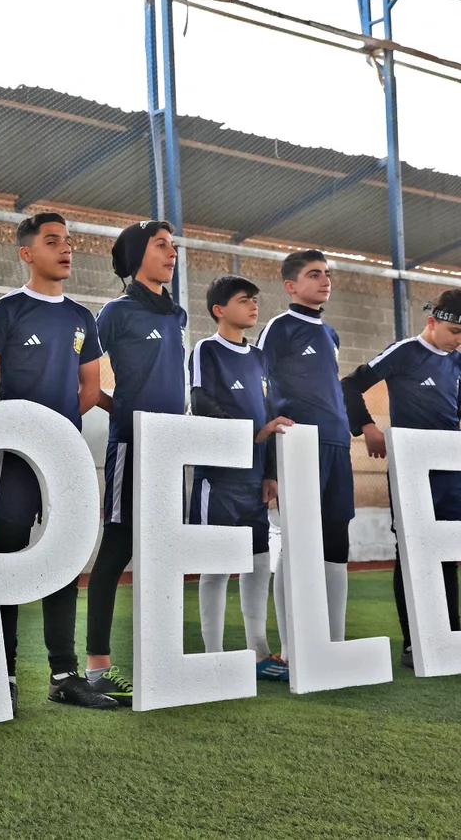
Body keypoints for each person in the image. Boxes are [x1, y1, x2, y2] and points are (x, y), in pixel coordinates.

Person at [0, 212, 118, 712]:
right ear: (27, 253)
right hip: (17, 458)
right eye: (53, 242)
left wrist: (56, 430)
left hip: (64, 454)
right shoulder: (8, 309)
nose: (66, 250)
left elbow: (89, 389)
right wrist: (13, 427)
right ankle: (0, 672)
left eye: (69, 242)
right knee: (6, 554)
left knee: (64, 560)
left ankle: (64, 675)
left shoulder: (82, 317)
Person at [83, 220, 187, 706]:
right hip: (131, 444)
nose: (172, 252)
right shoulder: (115, 313)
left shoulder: (176, 315)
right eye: (161, 245)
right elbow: (77, 369)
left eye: (173, 246)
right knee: (117, 550)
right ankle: (96, 666)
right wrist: (114, 407)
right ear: (134, 256)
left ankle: (164, 660)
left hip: (174, 449)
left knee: (165, 552)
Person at [340, 290, 461, 670]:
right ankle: (413, 644)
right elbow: (349, 386)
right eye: (455, 330)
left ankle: (451, 636)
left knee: (447, 553)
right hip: (411, 466)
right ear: (432, 321)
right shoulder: (405, 352)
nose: (459, 339)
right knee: (409, 553)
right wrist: (368, 427)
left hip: (451, 468)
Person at [188, 275, 292, 680]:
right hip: (218, 479)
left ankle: (259, 652)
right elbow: (200, 403)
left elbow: (269, 416)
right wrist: (252, 435)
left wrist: (269, 473)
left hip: (254, 481)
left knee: (257, 563)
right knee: (215, 567)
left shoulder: (260, 358)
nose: (253, 306)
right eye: (244, 300)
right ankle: (213, 657)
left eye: (254, 300)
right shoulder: (206, 350)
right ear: (219, 309)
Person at [256, 250, 354, 644]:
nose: (324, 280)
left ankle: (335, 642)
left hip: (336, 446)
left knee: (336, 538)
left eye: (327, 274)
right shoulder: (279, 328)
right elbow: (260, 392)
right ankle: (289, 648)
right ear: (291, 286)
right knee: (297, 543)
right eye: (314, 274)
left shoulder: (330, 334)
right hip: (297, 447)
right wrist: (268, 467)